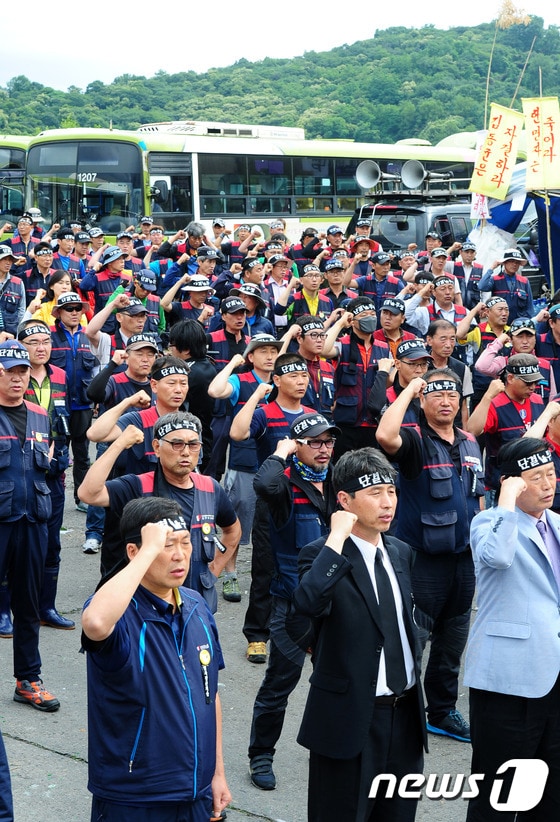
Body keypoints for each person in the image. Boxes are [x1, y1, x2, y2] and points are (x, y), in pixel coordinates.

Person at [293, 448, 427, 822]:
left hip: (405, 717)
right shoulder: (321, 555)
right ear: (344, 500)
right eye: (375, 493)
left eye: (392, 492)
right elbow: (306, 603)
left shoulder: (400, 552)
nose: (387, 503)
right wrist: (336, 537)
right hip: (348, 722)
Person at [81, 496, 231, 822]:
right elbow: (95, 623)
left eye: (185, 542)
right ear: (134, 551)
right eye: (166, 545)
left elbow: (210, 694)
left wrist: (217, 772)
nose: (180, 555)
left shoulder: (196, 605)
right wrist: (148, 550)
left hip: (196, 793)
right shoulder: (120, 614)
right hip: (134, 798)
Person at [376, 368, 485, 744]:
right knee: (412, 638)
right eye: (437, 395)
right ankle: (396, 710)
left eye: (452, 395)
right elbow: (384, 435)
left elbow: (476, 497)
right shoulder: (413, 440)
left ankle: (440, 711)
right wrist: (409, 390)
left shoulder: (469, 442)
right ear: (423, 401)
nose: (446, 401)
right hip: (422, 561)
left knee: (453, 640)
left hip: (463, 559)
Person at [465, 437, 560, 821]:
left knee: (551, 795)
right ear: (512, 483)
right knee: (498, 794)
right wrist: (504, 499)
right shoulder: (488, 522)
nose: (548, 484)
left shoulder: (557, 524)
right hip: (508, 681)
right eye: (536, 478)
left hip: (554, 676)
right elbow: (498, 556)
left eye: (551, 474)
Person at [247, 412, 338, 791]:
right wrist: (279, 452)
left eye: (328, 441)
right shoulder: (284, 485)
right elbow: (263, 483)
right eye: (314, 442)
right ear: (297, 446)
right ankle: (261, 754)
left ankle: (331, 747)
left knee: (336, 679)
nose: (324, 449)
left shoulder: (337, 482)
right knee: (280, 683)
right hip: (292, 604)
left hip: (335, 602)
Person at [78, 412, 241, 613]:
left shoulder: (210, 487)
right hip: (147, 608)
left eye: (193, 445)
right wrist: (119, 444)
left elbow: (233, 530)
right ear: (156, 447)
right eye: (177, 444)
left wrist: (213, 571)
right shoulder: (137, 486)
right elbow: (88, 493)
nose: (185, 452)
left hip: (196, 605)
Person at [0, 341, 59, 712]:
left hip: (33, 520)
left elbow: (50, 464)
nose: (18, 378)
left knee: (28, 605)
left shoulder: (40, 415)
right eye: (10, 372)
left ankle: (28, 680)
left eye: (23, 371)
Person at [208, 333, 282, 602]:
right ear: (250, 356)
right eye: (263, 351)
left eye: (273, 351)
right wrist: (232, 364)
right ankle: (229, 574)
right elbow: (215, 391)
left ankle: (275, 574)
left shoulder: (282, 381)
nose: (270, 356)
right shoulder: (241, 380)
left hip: (277, 460)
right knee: (236, 522)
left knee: (276, 521)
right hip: (244, 461)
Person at [478, 247, 535, 321]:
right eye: (511, 261)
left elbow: (530, 306)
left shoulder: (524, 281)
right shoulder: (495, 279)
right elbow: (481, 286)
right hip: (500, 321)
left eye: (517, 262)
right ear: (504, 263)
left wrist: (529, 321)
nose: (514, 264)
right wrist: (492, 268)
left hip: (519, 322)